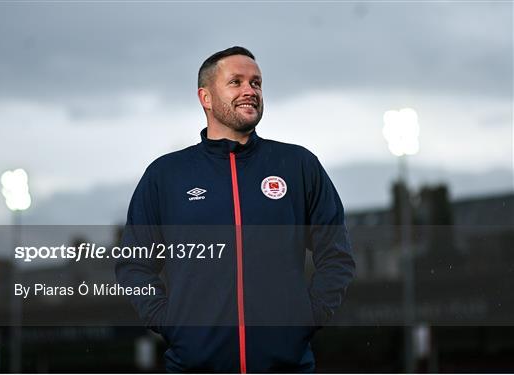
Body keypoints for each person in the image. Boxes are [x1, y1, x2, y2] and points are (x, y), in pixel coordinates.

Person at [116, 46, 356, 373]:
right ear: (206, 97)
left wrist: (307, 317)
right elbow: (134, 264)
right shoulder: (166, 176)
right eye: (236, 82)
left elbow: (336, 254)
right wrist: (168, 320)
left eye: (256, 83)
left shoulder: (298, 165)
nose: (250, 90)